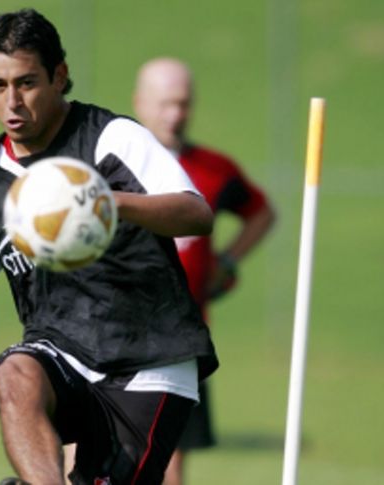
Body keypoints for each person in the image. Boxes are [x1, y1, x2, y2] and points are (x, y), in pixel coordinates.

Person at [0, 10, 220, 485]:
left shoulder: (109, 138)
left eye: (27, 83)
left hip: (149, 357)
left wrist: (104, 202)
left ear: (59, 76)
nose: (12, 102)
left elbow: (195, 213)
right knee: (13, 375)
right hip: (61, 352)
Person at [133, 58, 276, 484]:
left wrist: (227, 261)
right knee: (90, 449)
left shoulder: (214, 169)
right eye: (165, 103)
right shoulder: (114, 162)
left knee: (171, 460)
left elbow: (261, 213)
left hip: (183, 337)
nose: (175, 114)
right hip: (116, 331)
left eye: (183, 103)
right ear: (140, 102)